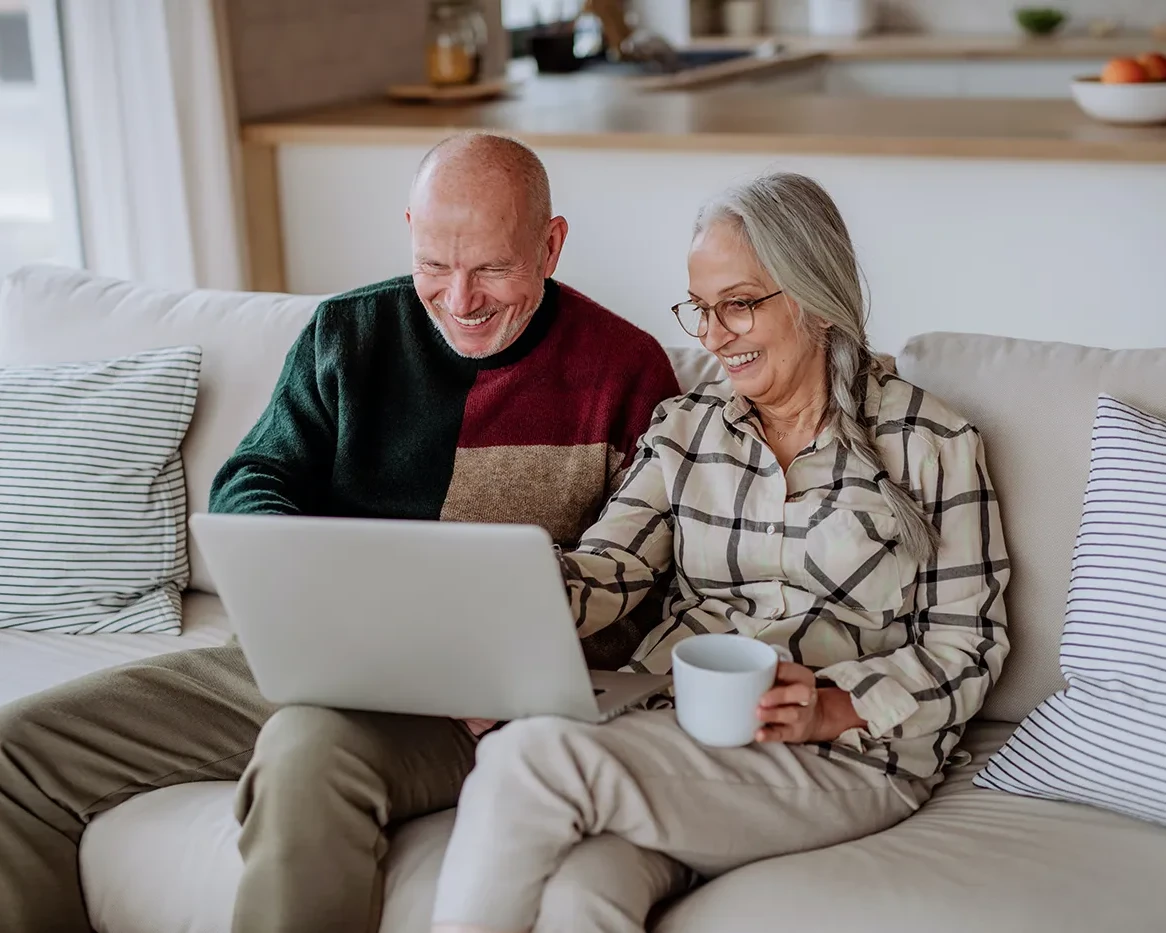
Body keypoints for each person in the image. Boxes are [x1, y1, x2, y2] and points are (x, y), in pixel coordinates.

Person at [0, 133, 681, 933]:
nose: (460, 299)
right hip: (307, 658)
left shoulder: (628, 373)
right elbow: (252, 478)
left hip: (482, 711)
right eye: (435, 264)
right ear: (409, 232)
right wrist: (300, 591)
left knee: (308, 749)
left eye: (492, 267)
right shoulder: (347, 334)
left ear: (550, 245)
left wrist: (502, 667)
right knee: (16, 752)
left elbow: (646, 588)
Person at [430, 172, 1012, 933]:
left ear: (812, 294)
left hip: (846, 757)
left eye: (737, 304)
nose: (711, 336)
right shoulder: (686, 428)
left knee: (528, 760)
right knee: (582, 893)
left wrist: (833, 706)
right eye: (700, 309)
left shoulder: (934, 443)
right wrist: (501, 588)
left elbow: (971, 644)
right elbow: (605, 572)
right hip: (684, 732)